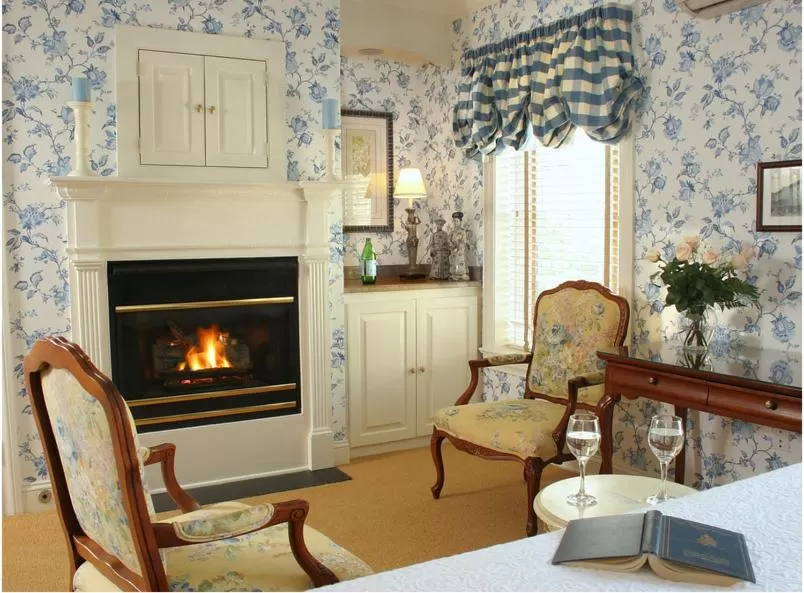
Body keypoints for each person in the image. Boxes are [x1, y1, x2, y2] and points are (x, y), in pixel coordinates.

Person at [448, 211, 469, 281]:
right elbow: (449, 240)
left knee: (460, 261)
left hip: (460, 250)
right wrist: (452, 246)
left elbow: (464, 241)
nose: (455, 223)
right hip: (453, 250)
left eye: (457, 221)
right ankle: (454, 274)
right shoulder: (452, 232)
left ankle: (462, 274)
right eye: (454, 221)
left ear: (460, 222)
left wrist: (458, 246)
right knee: (454, 261)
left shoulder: (463, 231)